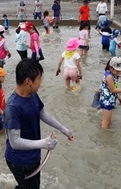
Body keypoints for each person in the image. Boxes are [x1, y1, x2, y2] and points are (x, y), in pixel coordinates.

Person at [4, 59, 74, 189]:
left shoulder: (32, 95)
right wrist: (43, 143)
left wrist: (64, 129)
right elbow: (14, 141)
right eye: (39, 78)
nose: (41, 82)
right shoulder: (12, 107)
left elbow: (42, 113)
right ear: (28, 81)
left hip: (33, 156)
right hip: (20, 161)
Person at [99, 57, 121, 128]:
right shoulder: (109, 77)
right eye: (118, 71)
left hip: (110, 100)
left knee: (108, 121)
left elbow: (113, 89)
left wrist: (120, 99)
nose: (119, 72)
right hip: (107, 101)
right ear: (111, 68)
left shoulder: (113, 74)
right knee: (106, 122)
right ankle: (104, 136)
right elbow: (113, 90)